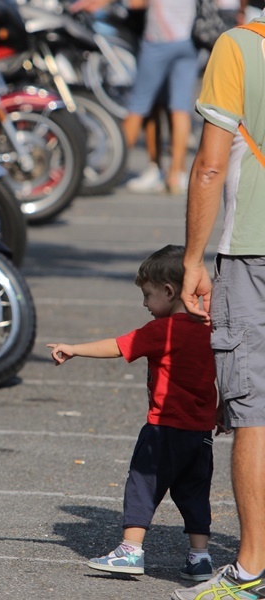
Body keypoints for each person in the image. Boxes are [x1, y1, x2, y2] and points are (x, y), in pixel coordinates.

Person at [48, 245, 219, 580]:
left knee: (142, 485)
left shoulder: (163, 330)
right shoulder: (209, 329)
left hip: (163, 429)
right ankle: (200, 557)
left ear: (169, 292)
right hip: (201, 434)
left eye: (147, 295)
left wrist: (74, 349)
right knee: (195, 493)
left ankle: (130, 550)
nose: (144, 304)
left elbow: (117, 346)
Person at [173, 9, 265, 600]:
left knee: (255, 410)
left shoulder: (238, 47)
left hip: (253, 252)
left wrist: (192, 259)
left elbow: (210, 165)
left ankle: (253, 568)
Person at [70, 0, 201, 195]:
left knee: (138, 105)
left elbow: (136, 2)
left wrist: (97, 3)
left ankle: (114, 165)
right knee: (180, 108)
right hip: (187, 41)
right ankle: (176, 173)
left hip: (160, 40)